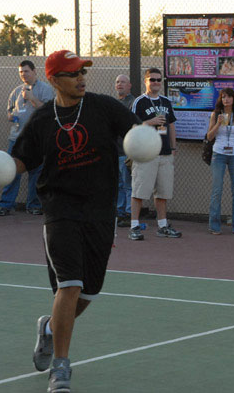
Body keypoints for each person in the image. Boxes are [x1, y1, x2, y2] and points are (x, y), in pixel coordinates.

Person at [10, 50, 139, 392]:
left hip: (100, 210)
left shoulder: (103, 107)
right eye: (72, 73)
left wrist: (142, 140)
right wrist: (2, 167)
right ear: (53, 80)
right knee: (70, 284)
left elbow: (134, 131)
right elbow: (21, 160)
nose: (81, 77)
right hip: (59, 209)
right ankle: (61, 367)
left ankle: (50, 328)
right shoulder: (41, 121)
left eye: (83, 71)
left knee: (89, 292)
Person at [0, 60, 54, 216]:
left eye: (26, 71)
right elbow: (9, 111)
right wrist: (11, 116)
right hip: (17, 138)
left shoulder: (45, 90)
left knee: (36, 174)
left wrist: (32, 98)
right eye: (21, 72)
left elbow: (49, 112)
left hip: (37, 139)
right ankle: (6, 204)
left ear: (34, 71)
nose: (23, 74)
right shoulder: (16, 91)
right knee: (11, 171)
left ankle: (33, 205)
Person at [129, 68, 181, 240]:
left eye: (159, 80)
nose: (156, 83)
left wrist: (173, 148)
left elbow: (171, 125)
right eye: (152, 80)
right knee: (140, 191)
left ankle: (163, 225)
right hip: (146, 152)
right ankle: (134, 226)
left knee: (163, 193)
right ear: (146, 81)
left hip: (165, 153)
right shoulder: (139, 101)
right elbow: (133, 127)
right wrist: (150, 122)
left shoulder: (166, 102)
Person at [206, 87, 234, 235]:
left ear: (233, 99)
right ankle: (214, 226)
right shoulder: (215, 114)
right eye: (223, 97)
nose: (226, 99)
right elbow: (209, 136)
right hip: (219, 155)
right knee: (217, 190)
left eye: (229, 97)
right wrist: (218, 123)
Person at [114, 74, 135, 227]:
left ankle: (129, 213)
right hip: (115, 151)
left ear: (129, 85)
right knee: (119, 184)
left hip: (127, 150)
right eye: (117, 82)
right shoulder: (114, 103)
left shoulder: (133, 103)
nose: (120, 84)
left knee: (128, 184)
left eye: (123, 82)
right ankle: (120, 212)